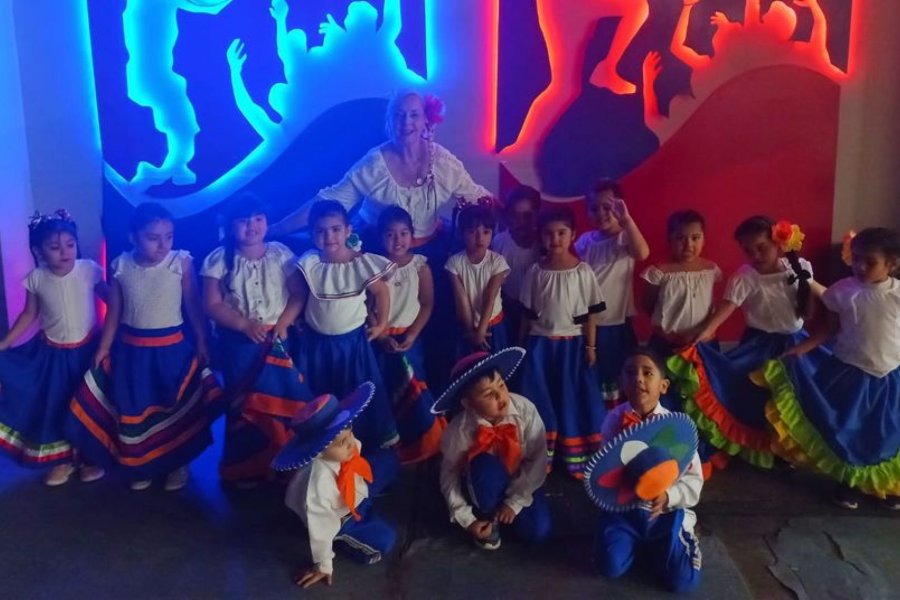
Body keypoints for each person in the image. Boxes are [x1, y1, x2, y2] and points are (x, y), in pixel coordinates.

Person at [69, 203, 222, 491]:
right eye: (153, 238)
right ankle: (142, 466)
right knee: (136, 406)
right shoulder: (121, 266)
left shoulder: (180, 262)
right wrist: (104, 347)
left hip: (172, 351)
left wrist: (203, 339)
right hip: (133, 354)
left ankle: (177, 464)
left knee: (172, 408)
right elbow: (115, 311)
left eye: (168, 236)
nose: (163, 245)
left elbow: (193, 305)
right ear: (133, 237)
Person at [756, 227, 900, 510]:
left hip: (889, 376)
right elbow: (829, 330)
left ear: (892, 264)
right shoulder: (843, 292)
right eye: (856, 259)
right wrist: (802, 349)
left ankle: (886, 485)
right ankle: (848, 483)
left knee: (886, 432)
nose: (860, 266)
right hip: (849, 373)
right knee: (849, 430)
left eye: (870, 261)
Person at [668, 217, 814, 469]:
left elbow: (823, 296)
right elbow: (724, 310)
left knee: (792, 402)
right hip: (759, 345)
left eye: (761, 247)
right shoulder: (745, 277)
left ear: (778, 243)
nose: (755, 255)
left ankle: (791, 452)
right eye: (748, 250)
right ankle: (764, 450)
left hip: (796, 345)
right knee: (756, 399)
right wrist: (702, 335)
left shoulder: (799, 268)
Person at [202, 194, 308, 486]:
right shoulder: (218, 259)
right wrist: (243, 324)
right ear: (230, 225)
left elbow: (298, 294)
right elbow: (212, 304)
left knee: (284, 400)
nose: (252, 226)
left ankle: (286, 463)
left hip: (279, 339)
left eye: (258, 219)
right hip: (240, 345)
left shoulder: (281, 254)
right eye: (243, 220)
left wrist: (284, 323)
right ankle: (246, 468)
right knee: (244, 406)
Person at [0, 211, 106, 485]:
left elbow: (112, 298)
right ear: (38, 251)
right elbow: (29, 314)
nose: (64, 252)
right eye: (54, 247)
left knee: (87, 406)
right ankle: (63, 461)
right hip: (52, 356)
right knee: (58, 406)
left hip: (87, 354)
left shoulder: (88, 270)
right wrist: (6, 342)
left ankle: (90, 458)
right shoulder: (36, 278)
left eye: (70, 245)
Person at [588, 349, 703, 593]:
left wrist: (669, 496)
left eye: (648, 373)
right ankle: (634, 545)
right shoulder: (613, 420)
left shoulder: (677, 427)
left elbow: (695, 481)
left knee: (683, 582)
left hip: (663, 513)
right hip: (625, 511)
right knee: (608, 566)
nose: (638, 379)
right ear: (622, 381)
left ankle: (664, 544)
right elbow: (606, 471)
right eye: (630, 373)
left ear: (663, 386)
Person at [294, 200, 398, 450]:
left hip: (352, 345)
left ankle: (363, 441)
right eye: (321, 231)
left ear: (348, 230)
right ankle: (325, 445)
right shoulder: (311, 263)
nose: (329, 236)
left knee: (356, 392)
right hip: (317, 345)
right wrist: (296, 318)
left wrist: (382, 324)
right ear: (312, 234)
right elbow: (301, 295)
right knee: (322, 393)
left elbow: (381, 292)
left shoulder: (360, 263)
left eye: (335, 229)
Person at [275, 383, 400, 588]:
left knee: (390, 461)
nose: (351, 442)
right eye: (342, 442)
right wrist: (323, 565)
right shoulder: (317, 487)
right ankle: (342, 540)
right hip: (341, 516)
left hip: (357, 483)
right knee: (385, 541)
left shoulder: (346, 449)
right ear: (318, 451)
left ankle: (367, 499)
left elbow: (354, 452)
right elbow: (321, 528)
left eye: (350, 431)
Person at [517, 206, 606, 477]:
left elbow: (591, 315)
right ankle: (540, 460)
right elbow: (526, 315)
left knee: (570, 399)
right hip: (540, 346)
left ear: (573, 235)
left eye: (561, 233)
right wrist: (521, 347)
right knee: (540, 399)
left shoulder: (583, 272)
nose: (554, 239)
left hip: (573, 346)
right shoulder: (535, 271)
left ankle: (574, 458)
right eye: (548, 233)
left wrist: (591, 347)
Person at [434, 348, 552, 551]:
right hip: (483, 486)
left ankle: (508, 516)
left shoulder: (525, 410)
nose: (500, 396)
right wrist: (467, 519)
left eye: (501, 385)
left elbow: (538, 460)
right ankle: (487, 517)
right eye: (489, 394)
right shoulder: (459, 430)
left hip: (522, 483)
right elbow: (449, 474)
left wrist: (514, 504)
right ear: (468, 404)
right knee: (484, 467)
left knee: (539, 532)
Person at [373, 206, 444, 463]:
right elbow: (367, 306)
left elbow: (427, 303)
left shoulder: (420, 266)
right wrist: (381, 335)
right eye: (390, 234)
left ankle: (424, 439)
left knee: (415, 386)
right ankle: (390, 441)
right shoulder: (373, 266)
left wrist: (412, 335)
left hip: (410, 338)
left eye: (403, 233)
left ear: (412, 235)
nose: (397, 240)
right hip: (380, 339)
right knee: (385, 387)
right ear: (380, 236)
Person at [575, 180, 649, 408]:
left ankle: (621, 416)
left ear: (619, 206)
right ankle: (597, 418)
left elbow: (642, 253)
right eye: (594, 208)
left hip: (616, 323)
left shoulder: (624, 238)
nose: (601, 213)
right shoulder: (585, 241)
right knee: (592, 374)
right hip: (587, 324)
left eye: (607, 207)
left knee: (618, 374)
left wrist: (626, 220)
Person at [640, 210, 721, 358]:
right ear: (669, 240)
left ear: (704, 239)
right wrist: (666, 331)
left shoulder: (711, 270)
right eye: (680, 238)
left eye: (695, 238)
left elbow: (712, 302)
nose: (688, 244)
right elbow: (648, 304)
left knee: (704, 372)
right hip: (666, 341)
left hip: (702, 340)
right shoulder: (658, 272)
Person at [446, 203, 510, 356]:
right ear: (462, 234)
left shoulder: (498, 262)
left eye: (486, 232)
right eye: (472, 232)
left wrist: (481, 330)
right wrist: (471, 332)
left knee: (497, 365)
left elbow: (490, 296)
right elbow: (461, 299)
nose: (480, 238)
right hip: (467, 326)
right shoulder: (454, 263)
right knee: (469, 365)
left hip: (493, 325)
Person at [491, 185, 541, 345]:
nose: (521, 222)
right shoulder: (499, 241)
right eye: (515, 216)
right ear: (507, 216)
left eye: (527, 216)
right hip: (508, 308)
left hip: (539, 311)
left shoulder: (545, 242)